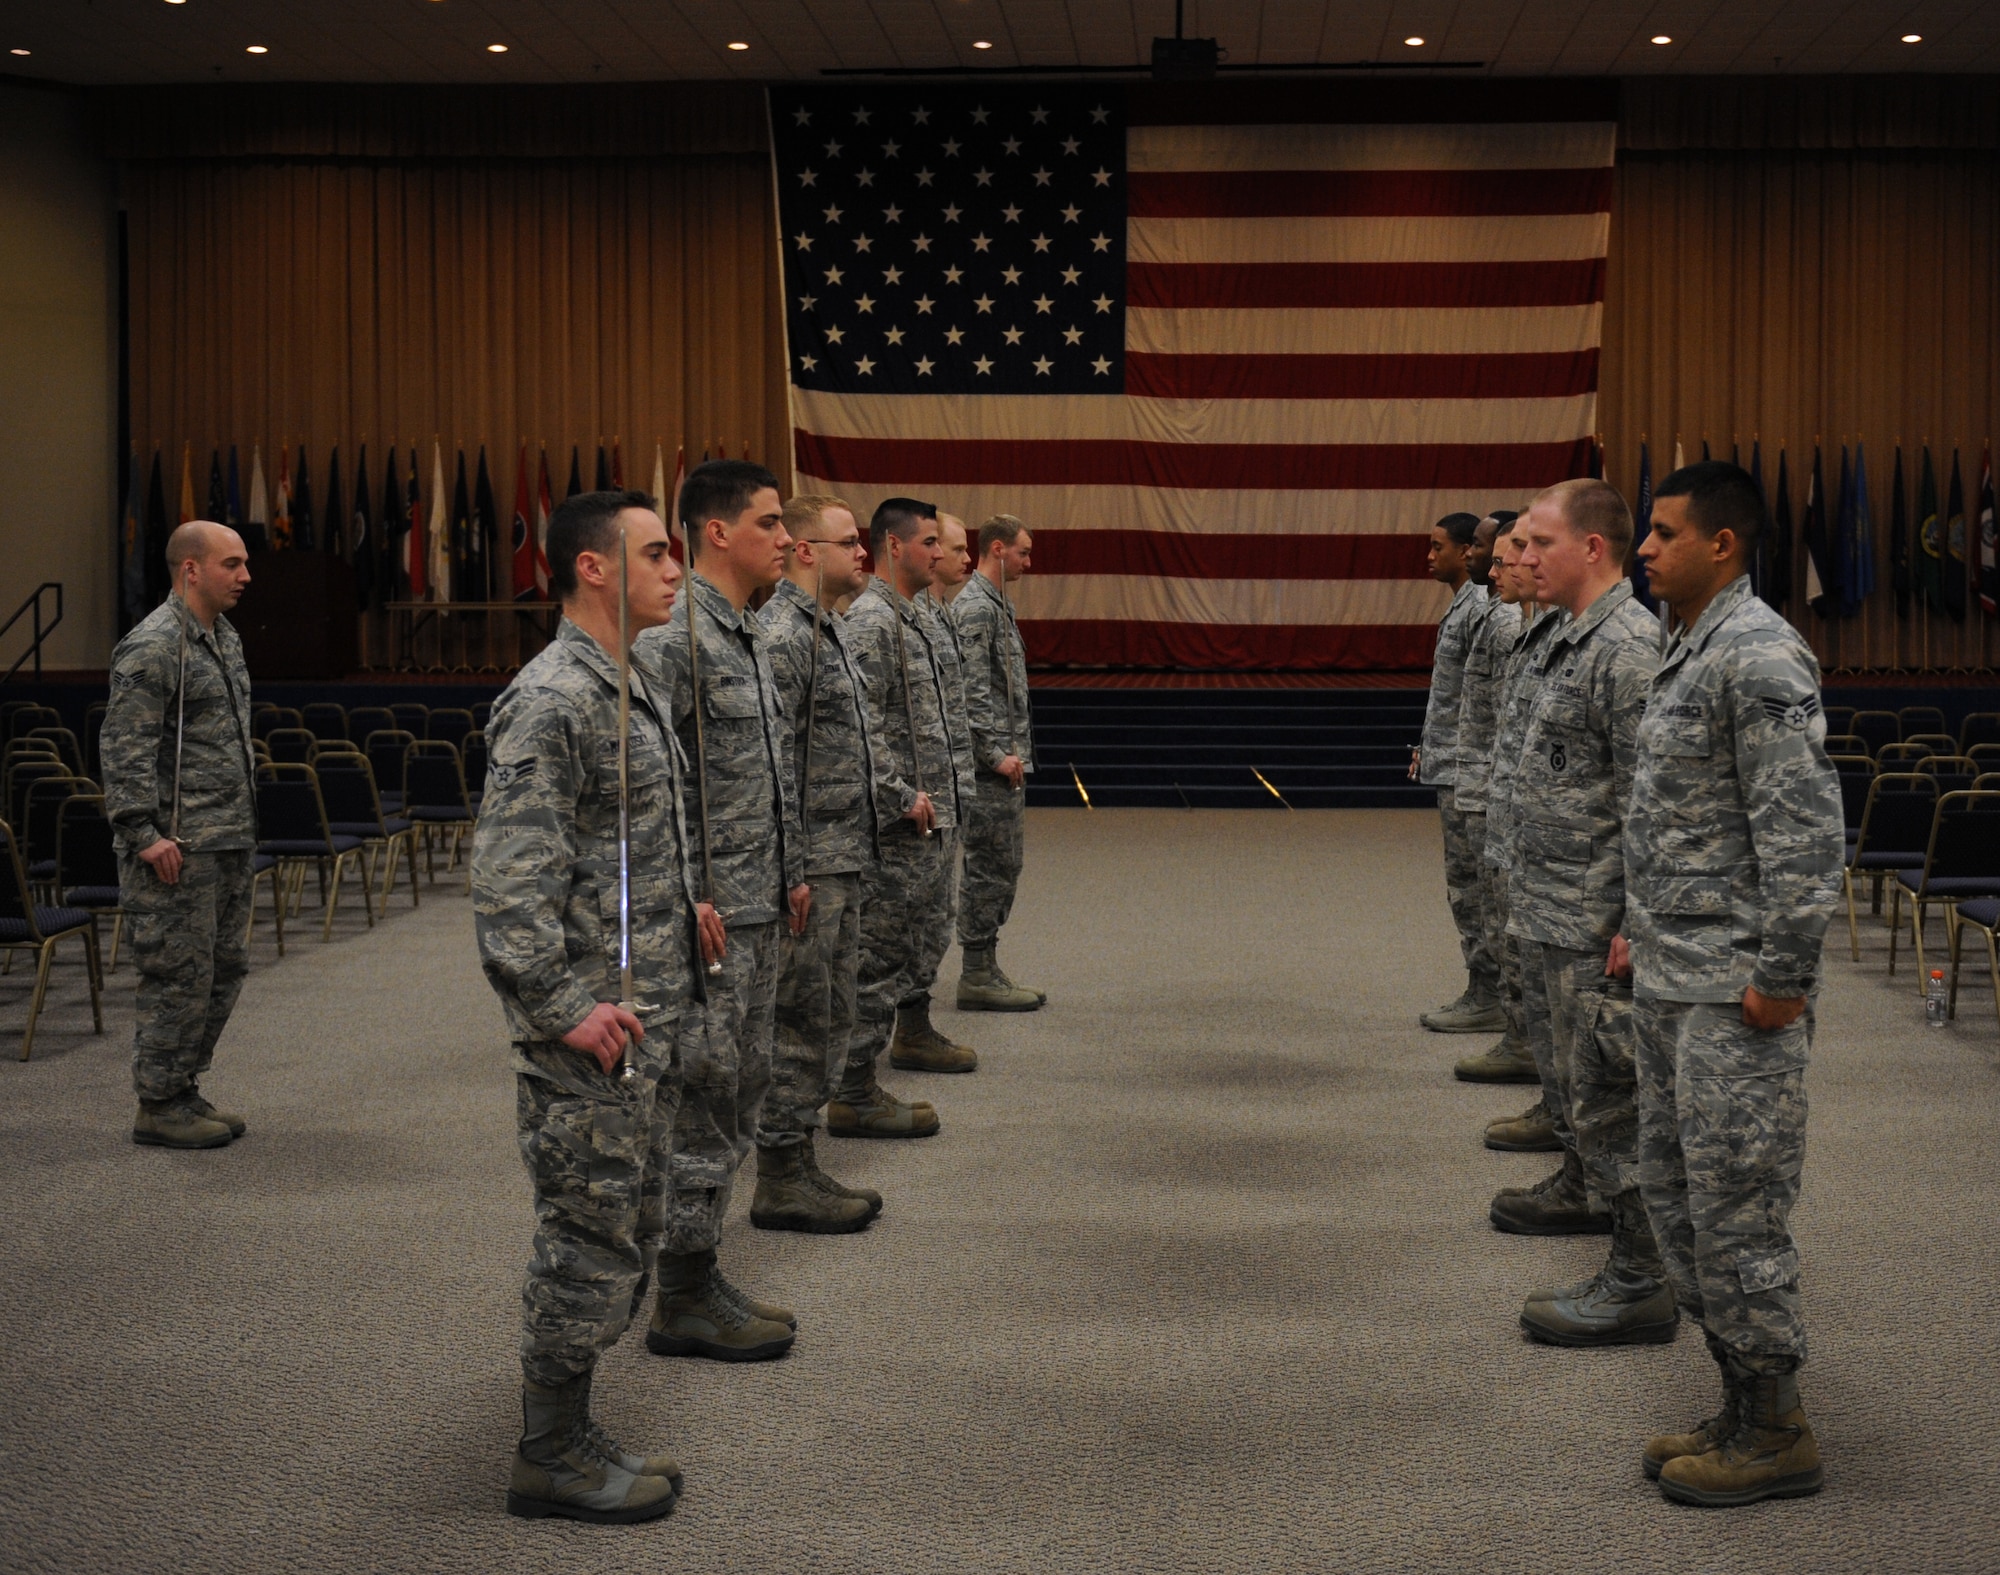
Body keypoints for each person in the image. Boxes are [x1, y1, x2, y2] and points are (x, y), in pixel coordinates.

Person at [472, 488, 695, 1524]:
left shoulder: (626, 679)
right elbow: (510, 889)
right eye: (655, 551)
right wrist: (563, 1006)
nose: (674, 567)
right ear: (593, 568)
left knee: (626, 1230)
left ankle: (567, 1428)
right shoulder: (555, 695)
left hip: (636, 1017)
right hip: (588, 1033)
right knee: (584, 1238)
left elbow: (618, 844)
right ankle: (547, 1451)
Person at [1622, 461, 1841, 1506]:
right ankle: (1735, 1399)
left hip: (1733, 993)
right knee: (1675, 1199)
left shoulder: (1754, 654)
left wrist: (1784, 976)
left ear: (1721, 544)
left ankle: (1776, 1428)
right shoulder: (1683, 649)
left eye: (1662, 534)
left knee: (1737, 1209)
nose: (1641, 549)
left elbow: (1801, 832)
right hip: (1674, 978)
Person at [636, 459, 807, 1363]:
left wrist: (789, 873)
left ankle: (700, 1269)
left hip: (757, 902)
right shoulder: (676, 637)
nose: (788, 539)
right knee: (703, 1099)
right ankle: (682, 1292)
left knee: (739, 1091)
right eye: (771, 522)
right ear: (717, 532)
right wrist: (683, 892)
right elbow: (653, 782)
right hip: (709, 917)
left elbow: (758, 773)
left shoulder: (741, 630)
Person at [1501, 478, 1672, 1351]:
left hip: (1597, 915)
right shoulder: (1573, 637)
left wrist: (1637, 922)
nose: (1523, 559)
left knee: (1617, 1097)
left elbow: (1655, 801)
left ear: (1591, 549)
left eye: (1538, 543)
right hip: (1553, 902)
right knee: (1579, 1083)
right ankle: (1580, 1184)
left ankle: (1642, 1277)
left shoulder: (1628, 648)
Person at [750, 493, 888, 1232]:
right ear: (807, 551)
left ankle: (797, 1159)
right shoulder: (783, 639)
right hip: (811, 866)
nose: (860, 553)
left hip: (841, 857)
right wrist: (790, 870)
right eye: (847, 541)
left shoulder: (822, 629)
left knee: (829, 1015)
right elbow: (771, 766)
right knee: (799, 1021)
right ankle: (779, 1172)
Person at [101, 520, 256, 1151]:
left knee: (222, 969)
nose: (246, 576)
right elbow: (124, 746)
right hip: (175, 848)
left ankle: (183, 1086)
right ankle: (158, 1103)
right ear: (191, 569)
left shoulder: (222, 637)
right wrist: (142, 833)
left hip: (225, 837)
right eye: (233, 564)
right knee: (177, 974)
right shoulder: (156, 645)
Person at [833, 497, 974, 1137]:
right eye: (929, 544)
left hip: (934, 817)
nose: (940, 554)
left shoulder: (914, 617)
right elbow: (859, 726)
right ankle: (854, 1090)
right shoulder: (869, 623)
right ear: (895, 546)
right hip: (899, 827)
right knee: (879, 955)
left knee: (923, 938)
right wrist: (896, 793)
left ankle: (911, 1034)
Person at [1479, 521, 1571, 1155]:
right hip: (1532, 844)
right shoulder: (1545, 632)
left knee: (1579, 1019)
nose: (1503, 568)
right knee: (1547, 1002)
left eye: (1521, 551)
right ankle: (1558, 1109)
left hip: (1577, 873)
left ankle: (1580, 1148)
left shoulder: (1620, 646)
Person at [1445, 512, 1531, 1081]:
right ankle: (1507, 1017)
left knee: (1504, 916)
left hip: (1504, 794)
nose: (1492, 566)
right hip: (1484, 781)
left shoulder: (1510, 624)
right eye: (1491, 554)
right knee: (1482, 903)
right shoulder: (1508, 619)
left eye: (1504, 555)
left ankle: (1510, 1021)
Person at [1412, 512, 1501, 1034]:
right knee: (1463, 885)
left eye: (1438, 546)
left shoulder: (1485, 610)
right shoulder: (1467, 606)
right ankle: (1482, 986)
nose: (1432, 555)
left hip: (1473, 768)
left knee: (1475, 888)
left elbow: (1484, 699)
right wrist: (1429, 747)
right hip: (1453, 761)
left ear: (1469, 549)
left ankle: (1490, 993)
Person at [952, 513, 1043, 1011]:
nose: (1029, 562)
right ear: (998, 549)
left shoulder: (995, 605)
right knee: (990, 865)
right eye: (1024, 552)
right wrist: (993, 754)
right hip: (991, 765)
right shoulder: (975, 609)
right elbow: (971, 690)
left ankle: (985, 964)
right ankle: (975, 974)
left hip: (1005, 759)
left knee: (1003, 864)